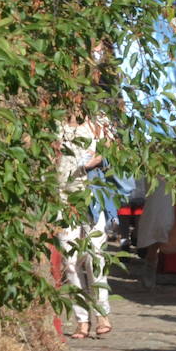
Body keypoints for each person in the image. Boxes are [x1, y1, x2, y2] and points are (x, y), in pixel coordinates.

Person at [57, 110, 112, 338]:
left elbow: (111, 153)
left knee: (94, 254)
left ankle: (102, 313)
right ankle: (81, 319)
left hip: (91, 196)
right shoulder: (53, 122)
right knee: (69, 260)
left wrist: (94, 161)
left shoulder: (98, 121)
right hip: (61, 196)